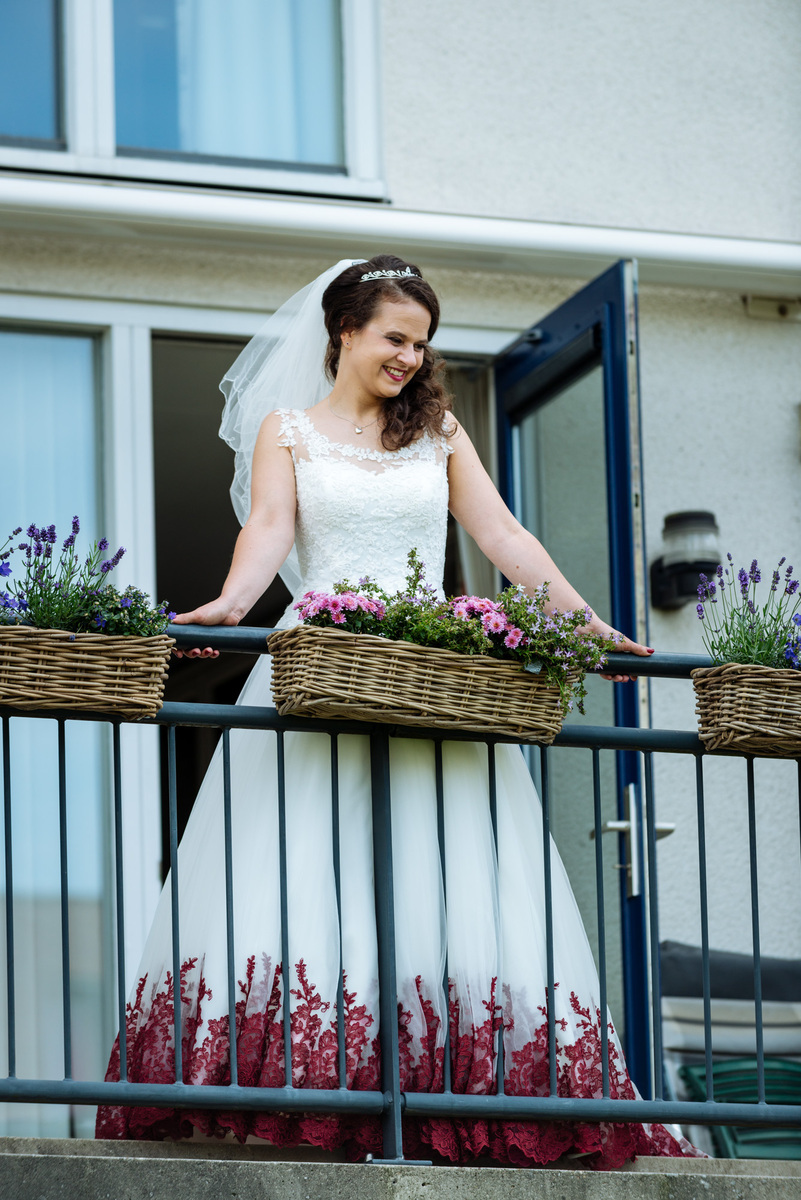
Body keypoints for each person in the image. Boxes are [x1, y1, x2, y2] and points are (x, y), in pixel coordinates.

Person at [96, 255, 701, 1169]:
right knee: (302, 876)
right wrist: (228, 605)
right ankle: (305, 1096)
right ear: (342, 332)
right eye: (393, 338)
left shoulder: (440, 432)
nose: (409, 359)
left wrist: (586, 623)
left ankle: (464, 1096)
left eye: (420, 344)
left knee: (441, 881)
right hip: (325, 669)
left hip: (428, 679)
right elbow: (266, 530)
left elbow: (501, 536)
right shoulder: (286, 430)